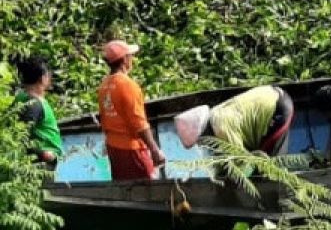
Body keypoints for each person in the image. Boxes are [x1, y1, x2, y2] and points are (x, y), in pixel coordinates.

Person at [97, 40, 165, 181]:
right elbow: (139, 123)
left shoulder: (104, 86)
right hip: (131, 149)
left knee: (124, 188)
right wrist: (154, 150)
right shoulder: (127, 85)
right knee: (148, 188)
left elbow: (104, 118)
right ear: (125, 60)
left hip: (113, 147)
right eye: (130, 56)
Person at [174, 85, 295, 154]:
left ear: (204, 134)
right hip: (273, 93)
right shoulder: (215, 114)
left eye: (200, 142)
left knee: (268, 166)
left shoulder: (221, 129)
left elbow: (243, 163)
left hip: (278, 110)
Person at [15, 57, 63, 168]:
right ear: (42, 78)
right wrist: (44, 154)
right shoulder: (34, 104)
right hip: (40, 163)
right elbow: (21, 136)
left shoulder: (22, 97)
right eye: (48, 75)